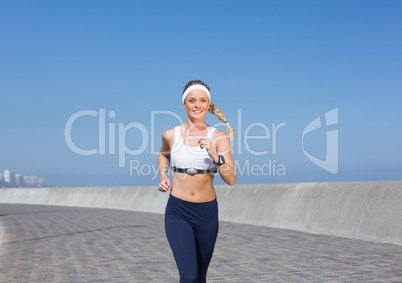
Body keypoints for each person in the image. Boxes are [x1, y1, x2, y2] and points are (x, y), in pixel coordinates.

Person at [157, 80, 236, 282]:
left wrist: (215, 156)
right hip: (178, 211)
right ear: (184, 104)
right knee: (189, 276)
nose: (197, 105)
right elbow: (163, 155)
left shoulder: (218, 137)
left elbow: (231, 179)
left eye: (202, 101)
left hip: (207, 213)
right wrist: (163, 176)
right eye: (192, 100)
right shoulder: (170, 134)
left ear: (208, 105)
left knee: (200, 277)